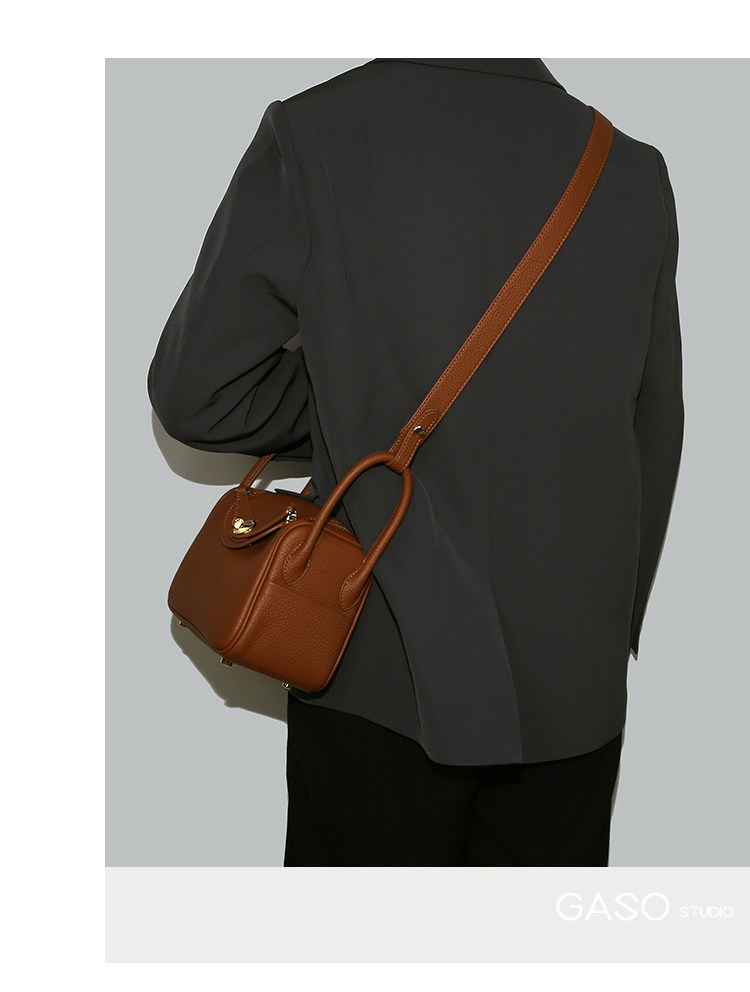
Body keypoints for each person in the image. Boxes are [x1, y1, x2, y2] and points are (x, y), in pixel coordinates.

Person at [147, 59, 684, 866]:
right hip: (573, 678)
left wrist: (352, 406)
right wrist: (610, 627)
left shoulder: (318, 131)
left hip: (378, 664)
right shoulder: (631, 169)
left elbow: (198, 393)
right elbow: (654, 419)